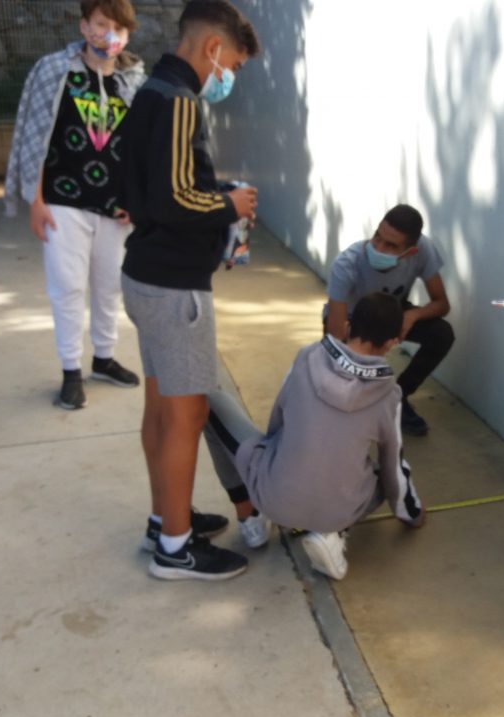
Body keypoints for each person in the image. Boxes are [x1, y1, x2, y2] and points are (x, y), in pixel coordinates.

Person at [119, 0, 266, 581]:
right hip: (175, 287)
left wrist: (214, 197)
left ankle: (166, 520)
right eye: (233, 64)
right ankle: (175, 549)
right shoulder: (181, 101)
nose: (228, 76)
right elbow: (177, 197)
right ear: (212, 48)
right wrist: (230, 204)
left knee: (161, 408)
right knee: (187, 414)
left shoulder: (150, 92)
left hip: (146, 275)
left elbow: (148, 186)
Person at [206, 293, 425, 580]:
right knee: (384, 473)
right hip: (339, 511)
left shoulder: (307, 356)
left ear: (347, 327)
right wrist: (411, 514)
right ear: (392, 343)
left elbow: (278, 421)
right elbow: (393, 467)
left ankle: (251, 518)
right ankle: (332, 534)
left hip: (276, 498)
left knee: (207, 401)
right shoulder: (390, 396)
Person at [5, 0, 147, 410]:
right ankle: (70, 371)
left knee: (109, 286)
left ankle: (104, 359)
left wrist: (136, 200)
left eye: (119, 28)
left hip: (115, 208)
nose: (110, 35)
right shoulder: (55, 71)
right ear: (84, 26)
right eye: (101, 24)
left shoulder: (135, 81)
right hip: (63, 201)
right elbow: (34, 134)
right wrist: (35, 200)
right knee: (67, 287)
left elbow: (142, 148)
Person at [325, 205, 454, 436]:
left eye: (391, 245)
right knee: (339, 372)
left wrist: (412, 315)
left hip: (392, 312)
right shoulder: (347, 264)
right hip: (350, 318)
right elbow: (335, 335)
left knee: (441, 334)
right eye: (377, 236)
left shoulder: (423, 250)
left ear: (410, 252)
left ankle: (397, 398)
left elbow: (442, 304)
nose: (378, 248)